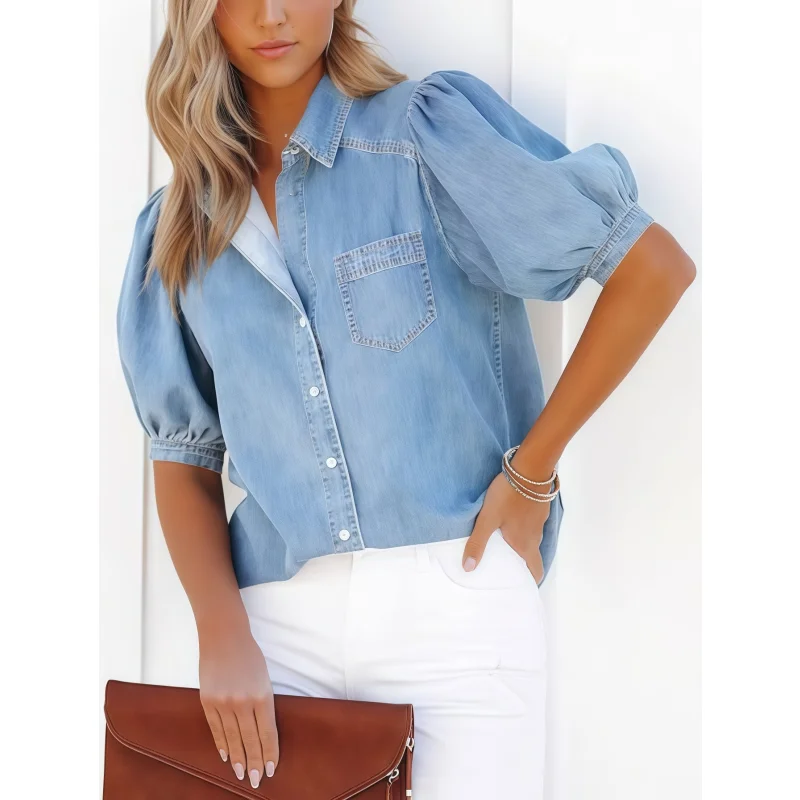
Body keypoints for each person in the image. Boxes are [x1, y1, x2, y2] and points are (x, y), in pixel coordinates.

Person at [115, 1, 696, 797]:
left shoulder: (424, 137)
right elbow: (184, 453)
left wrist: (532, 474)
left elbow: (651, 269)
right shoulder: (182, 222)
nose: (270, 14)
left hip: (457, 611)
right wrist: (221, 633)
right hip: (273, 634)